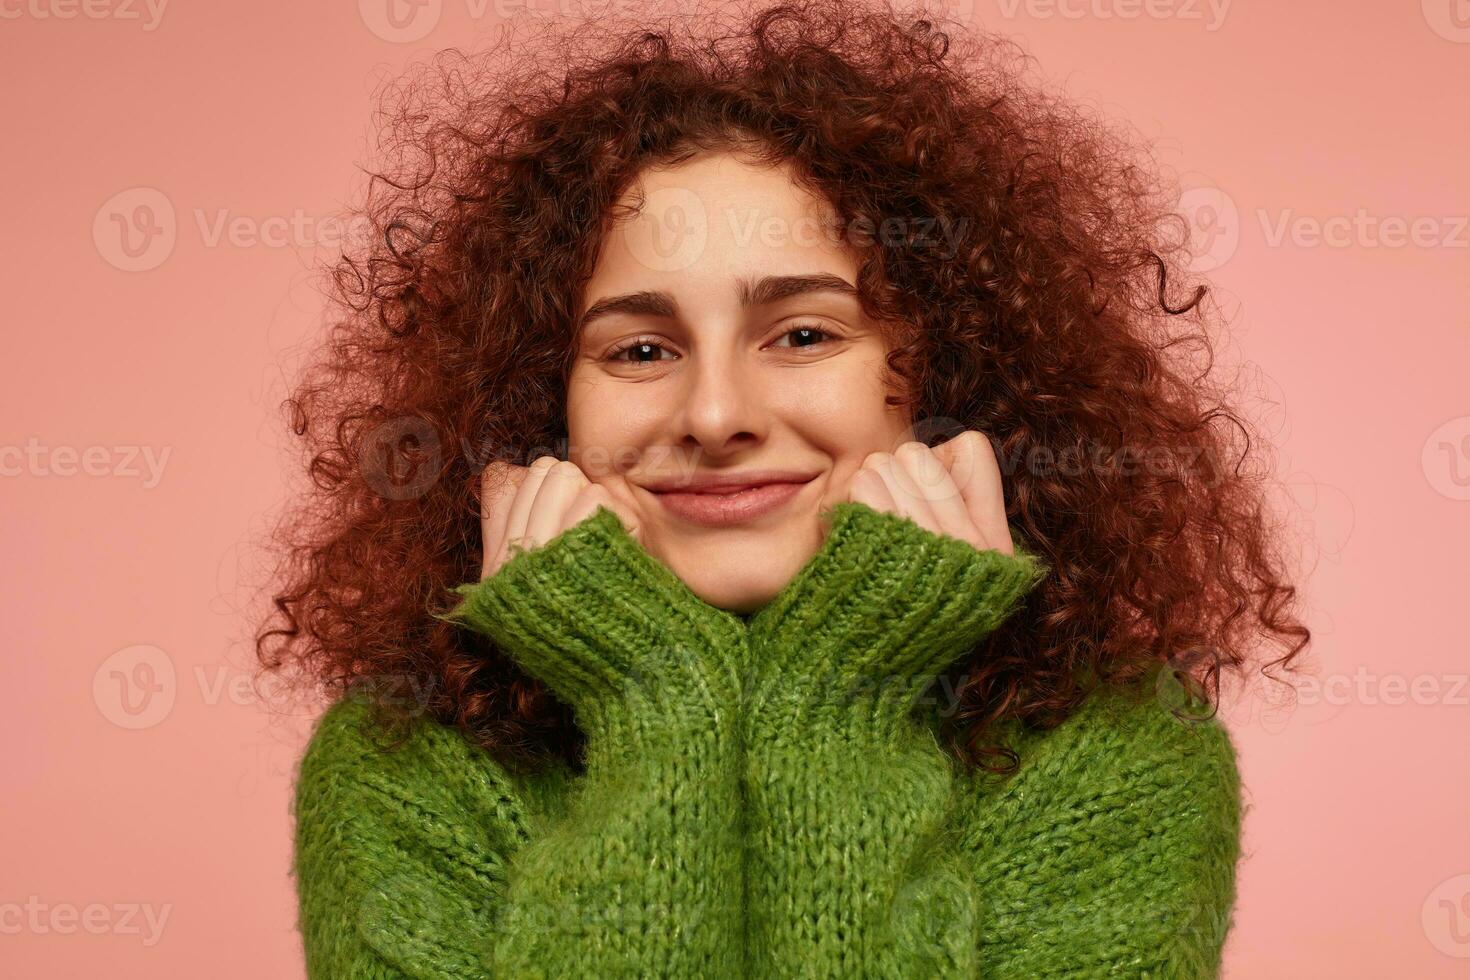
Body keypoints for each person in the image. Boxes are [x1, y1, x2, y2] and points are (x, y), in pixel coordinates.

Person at [258, 0, 1311, 975]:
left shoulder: (1120, 753)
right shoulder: (399, 762)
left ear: (944, 372)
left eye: (803, 333)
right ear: (542, 407)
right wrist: (652, 696)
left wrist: (840, 697)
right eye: (637, 350)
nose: (716, 414)